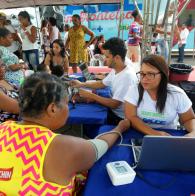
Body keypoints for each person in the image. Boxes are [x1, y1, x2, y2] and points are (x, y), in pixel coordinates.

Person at [0, 72, 130, 195]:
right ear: (52, 109)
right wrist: (119, 128)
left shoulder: (3, 127)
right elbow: (101, 145)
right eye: (66, 103)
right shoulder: (63, 147)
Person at [70, 37, 137, 125]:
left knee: (86, 118)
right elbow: (101, 83)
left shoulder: (127, 76)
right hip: (113, 112)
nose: (104, 60)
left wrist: (92, 96)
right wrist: (81, 84)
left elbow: (114, 104)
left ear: (117, 58)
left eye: (107, 57)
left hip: (119, 118)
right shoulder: (116, 69)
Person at [124, 54, 195, 137]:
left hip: (169, 135)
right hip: (140, 133)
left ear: (163, 75)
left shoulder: (177, 94)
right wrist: (155, 134)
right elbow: (131, 117)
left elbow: (188, 119)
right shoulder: (134, 90)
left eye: (150, 74)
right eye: (142, 73)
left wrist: (193, 133)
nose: (144, 78)